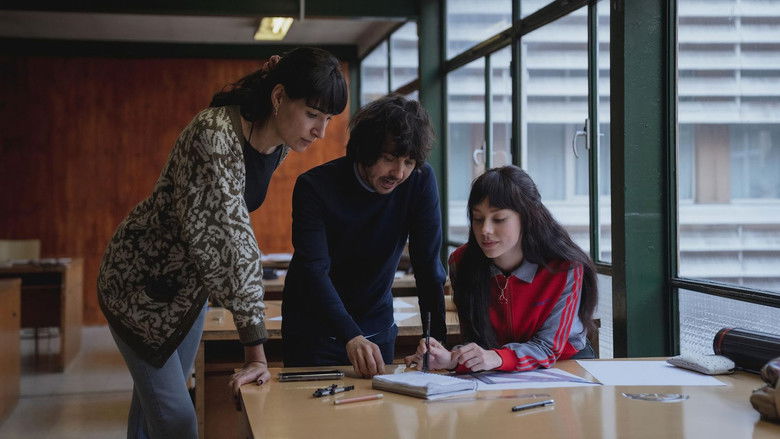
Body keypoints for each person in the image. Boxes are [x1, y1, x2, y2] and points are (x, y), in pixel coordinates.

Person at [97, 47, 347, 438]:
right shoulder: (214, 134)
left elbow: (232, 228)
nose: (321, 132)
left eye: (328, 119)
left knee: (151, 412)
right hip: (139, 286)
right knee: (177, 420)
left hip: (187, 289)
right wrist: (255, 351)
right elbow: (231, 237)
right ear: (278, 97)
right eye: (313, 114)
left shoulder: (277, 143)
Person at [282, 94, 446, 378]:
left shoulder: (420, 181)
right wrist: (351, 335)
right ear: (364, 150)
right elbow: (314, 270)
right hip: (314, 328)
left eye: (409, 162)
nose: (399, 173)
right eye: (389, 158)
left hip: (376, 325)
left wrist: (436, 341)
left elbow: (428, 266)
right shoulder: (315, 187)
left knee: (378, 406)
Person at [405, 165, 598, 373]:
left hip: (565, 366)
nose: (485, 230)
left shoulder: (564, 267)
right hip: (500, 370)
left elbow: (548, 348)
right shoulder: (461, 263)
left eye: (499, 219)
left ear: (528, 217)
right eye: (478, 219)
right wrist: (451, 358)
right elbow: (477, 342)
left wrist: (496, 357)